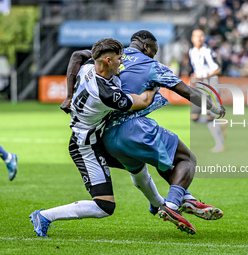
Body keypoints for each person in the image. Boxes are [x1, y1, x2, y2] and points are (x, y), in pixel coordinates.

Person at [61, 31, 226, 235]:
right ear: (147, 48)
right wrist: (213, 106)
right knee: (187, 159)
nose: (154, 56)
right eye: (154, 52)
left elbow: (78, 56)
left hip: (107, 139)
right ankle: (172, 205)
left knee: (161, 161)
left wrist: (69, 96)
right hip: (133, 129)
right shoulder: (152, 66)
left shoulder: (115, 56)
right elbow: (186, 91)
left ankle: (183, 198)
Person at [29, 38, 158, 237]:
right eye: (118, 58)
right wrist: (157, 80)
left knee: (136, 160)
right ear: (107, 60)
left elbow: (77, 55)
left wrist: (69, 94)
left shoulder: (90, 65)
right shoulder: (105, 93)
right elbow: (145, 100)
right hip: (86, 147)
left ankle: (158, 205)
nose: (121, 60)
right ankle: (45, 216)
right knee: (105, 206)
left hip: (98, 137)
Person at [189, 29, 226, 153]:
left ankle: (220, 145)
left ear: (204, 38)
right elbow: (195, 68)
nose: (198, 39)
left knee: (211, 114)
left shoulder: (208, 51)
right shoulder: (191, 52)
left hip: (210, 84)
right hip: (199, 85)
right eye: (196, 36)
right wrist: (195, 75)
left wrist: (205, 76)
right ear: (192, 39)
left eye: (201, 36)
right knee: (194, 117)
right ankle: (219, 124)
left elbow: (218, 69)